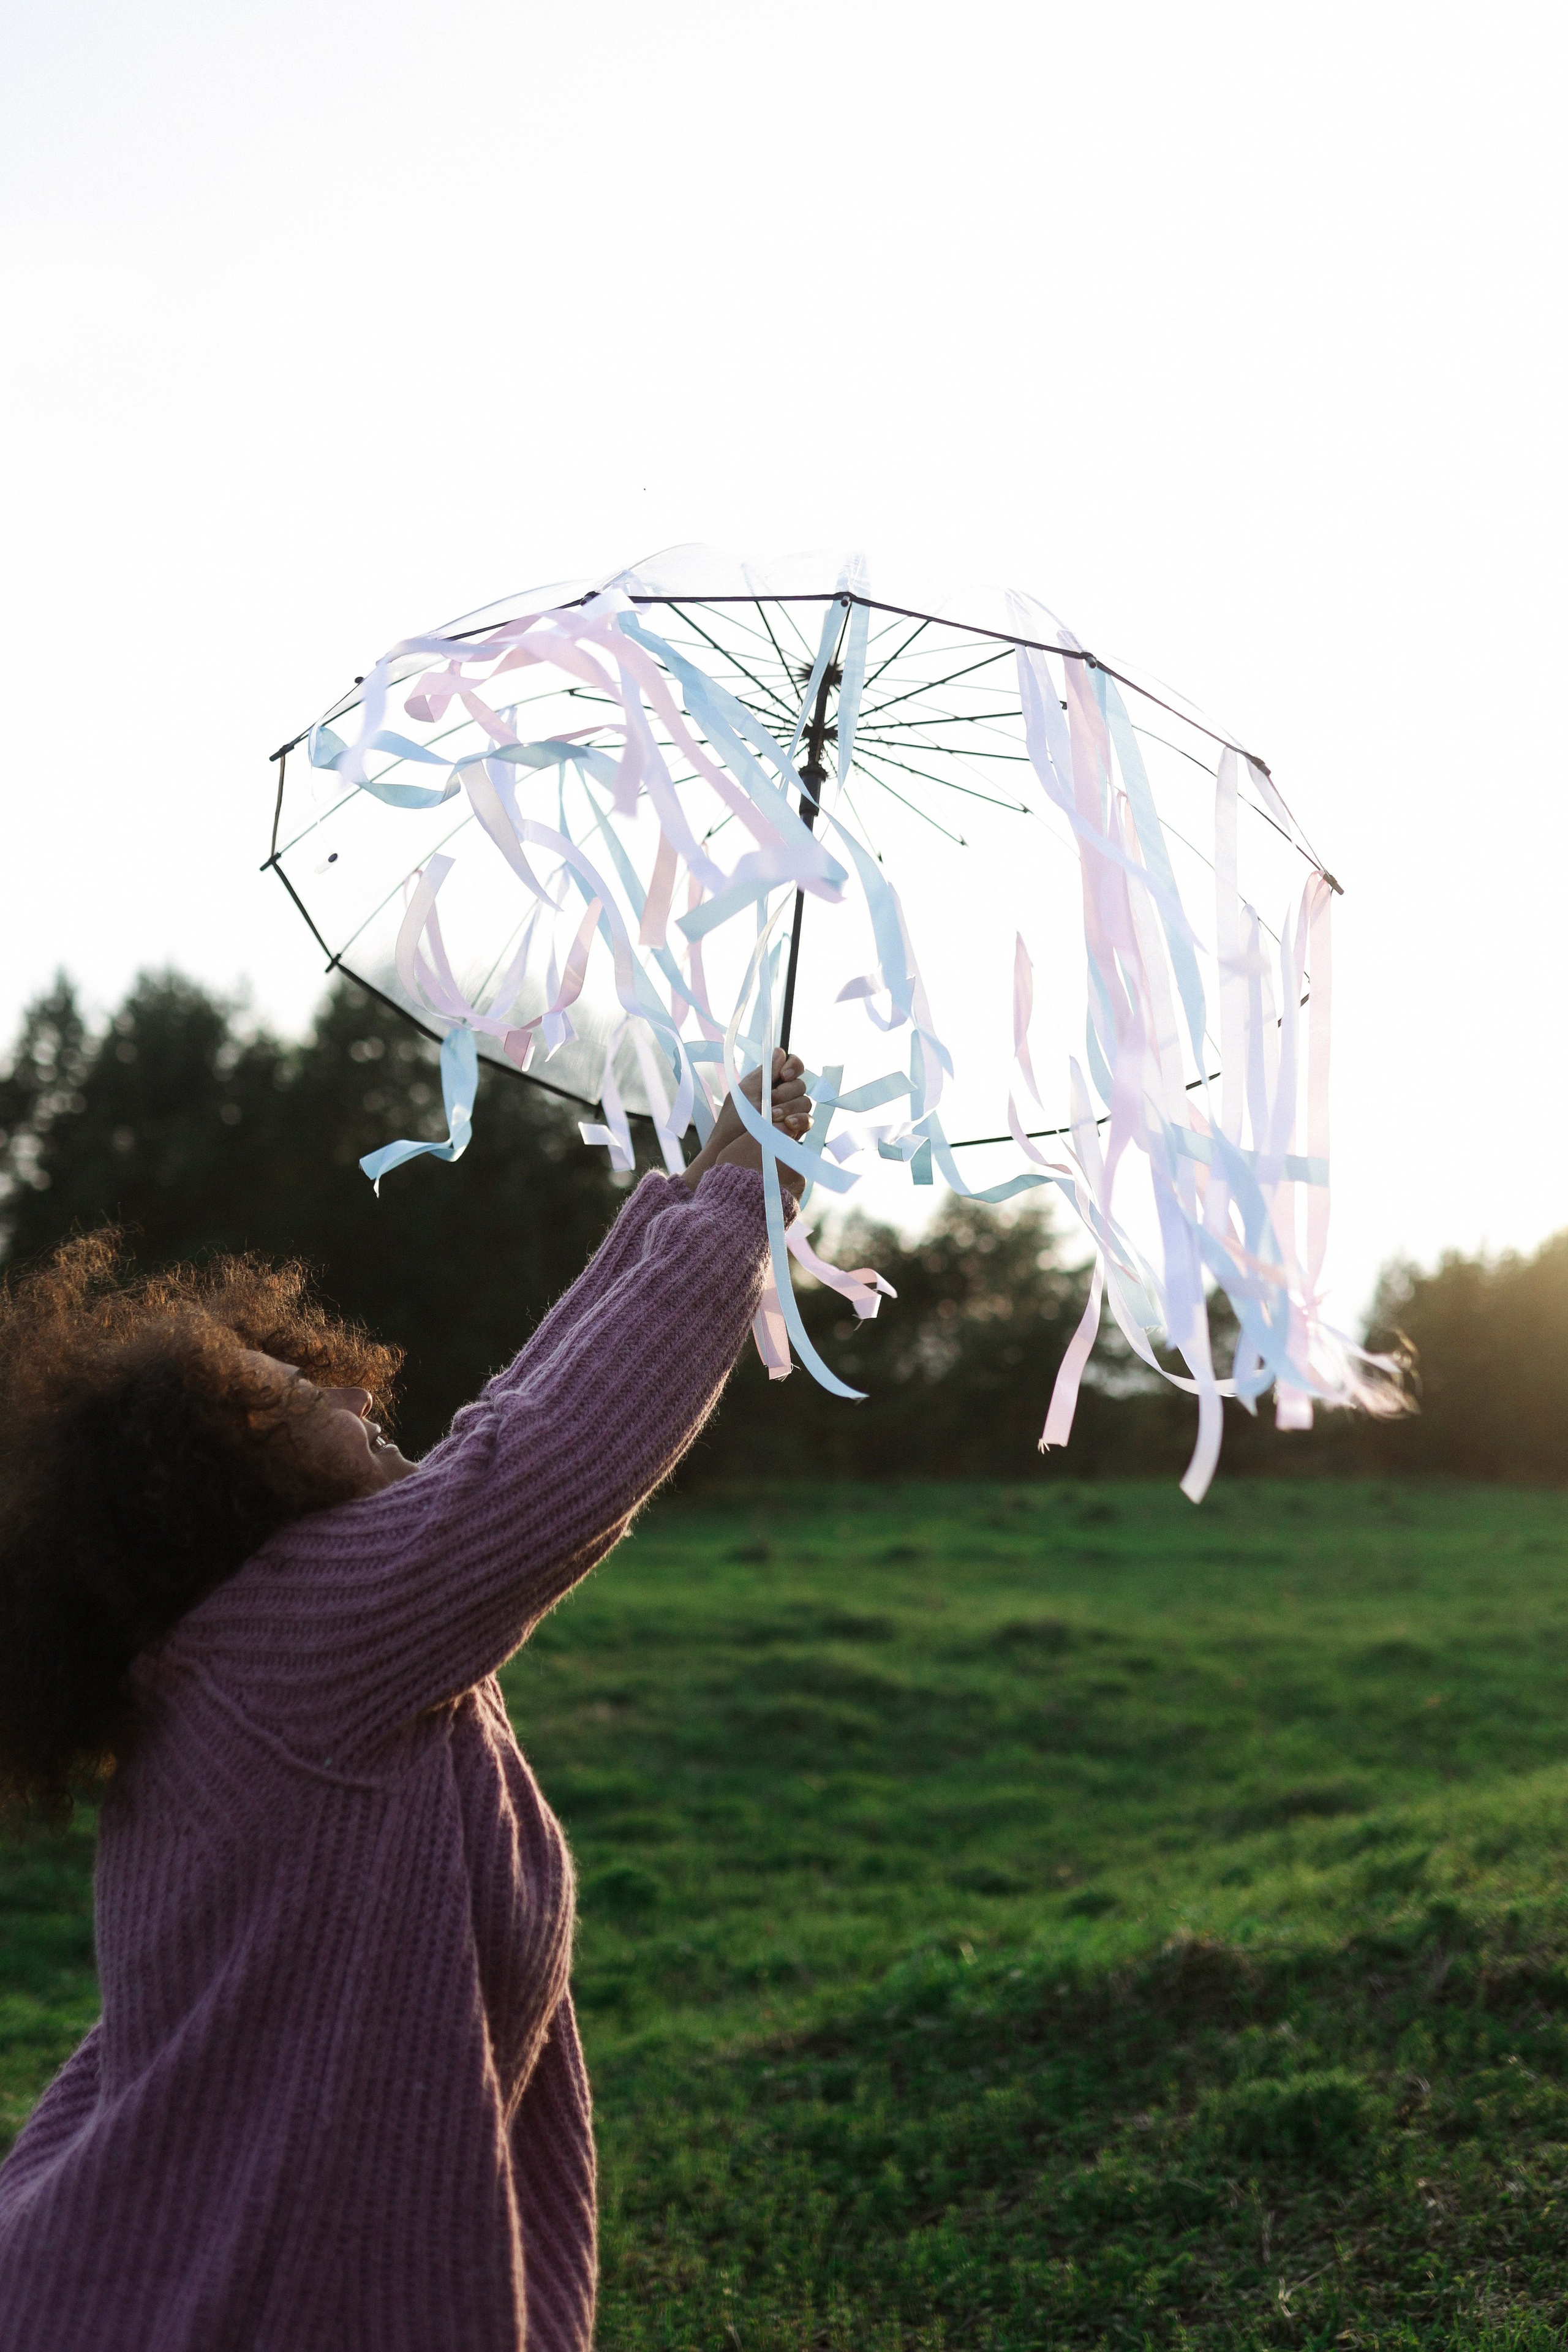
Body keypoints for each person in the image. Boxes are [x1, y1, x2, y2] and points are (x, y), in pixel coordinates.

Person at [0, 1050, 813, 2352]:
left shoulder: (254, 1641)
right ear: (212, 1487)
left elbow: (502, 1430)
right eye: (287, 1399)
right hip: (224, 2280)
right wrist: (729, 1216)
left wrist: (691, 1201)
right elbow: (537, 1467)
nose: (351, 1388)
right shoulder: (296, 1637)